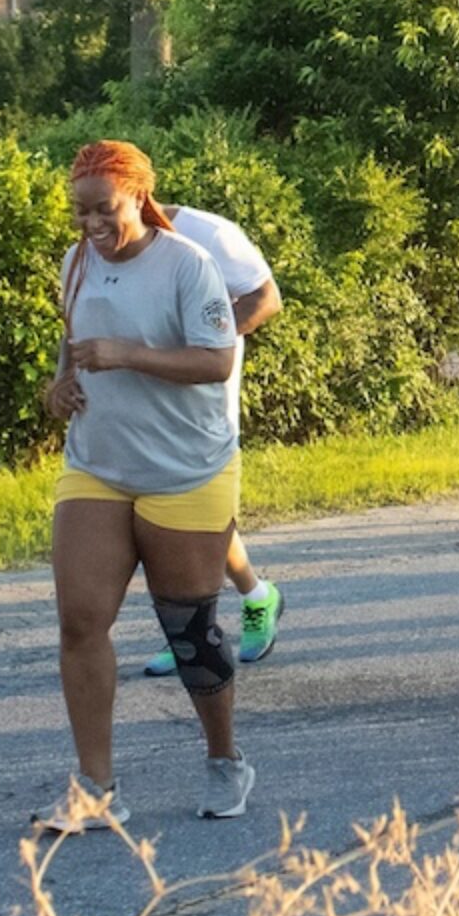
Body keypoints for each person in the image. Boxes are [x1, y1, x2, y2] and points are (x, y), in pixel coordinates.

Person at [37, 140, 252, 831]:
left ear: (137, 195)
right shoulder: (75, 264)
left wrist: (129, 355)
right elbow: (66, 358)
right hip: (98, 463)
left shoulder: (185, 263)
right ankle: (96, 789)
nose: (92, 225)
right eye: (80, 213)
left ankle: (224, 760)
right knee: (79, 621)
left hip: (186, 468)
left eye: (104, 210)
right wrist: (58, 390)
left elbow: (218, 361)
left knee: (188, 630)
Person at [139, 203, 285, 677]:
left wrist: (201, 348)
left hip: (204, 400)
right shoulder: (109, 246)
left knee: (193, 513)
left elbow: (265, 298)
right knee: (171, 514)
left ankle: (207, 624)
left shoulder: (209, 233)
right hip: (144, 398)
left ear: (139, 195)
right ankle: (203, 625)